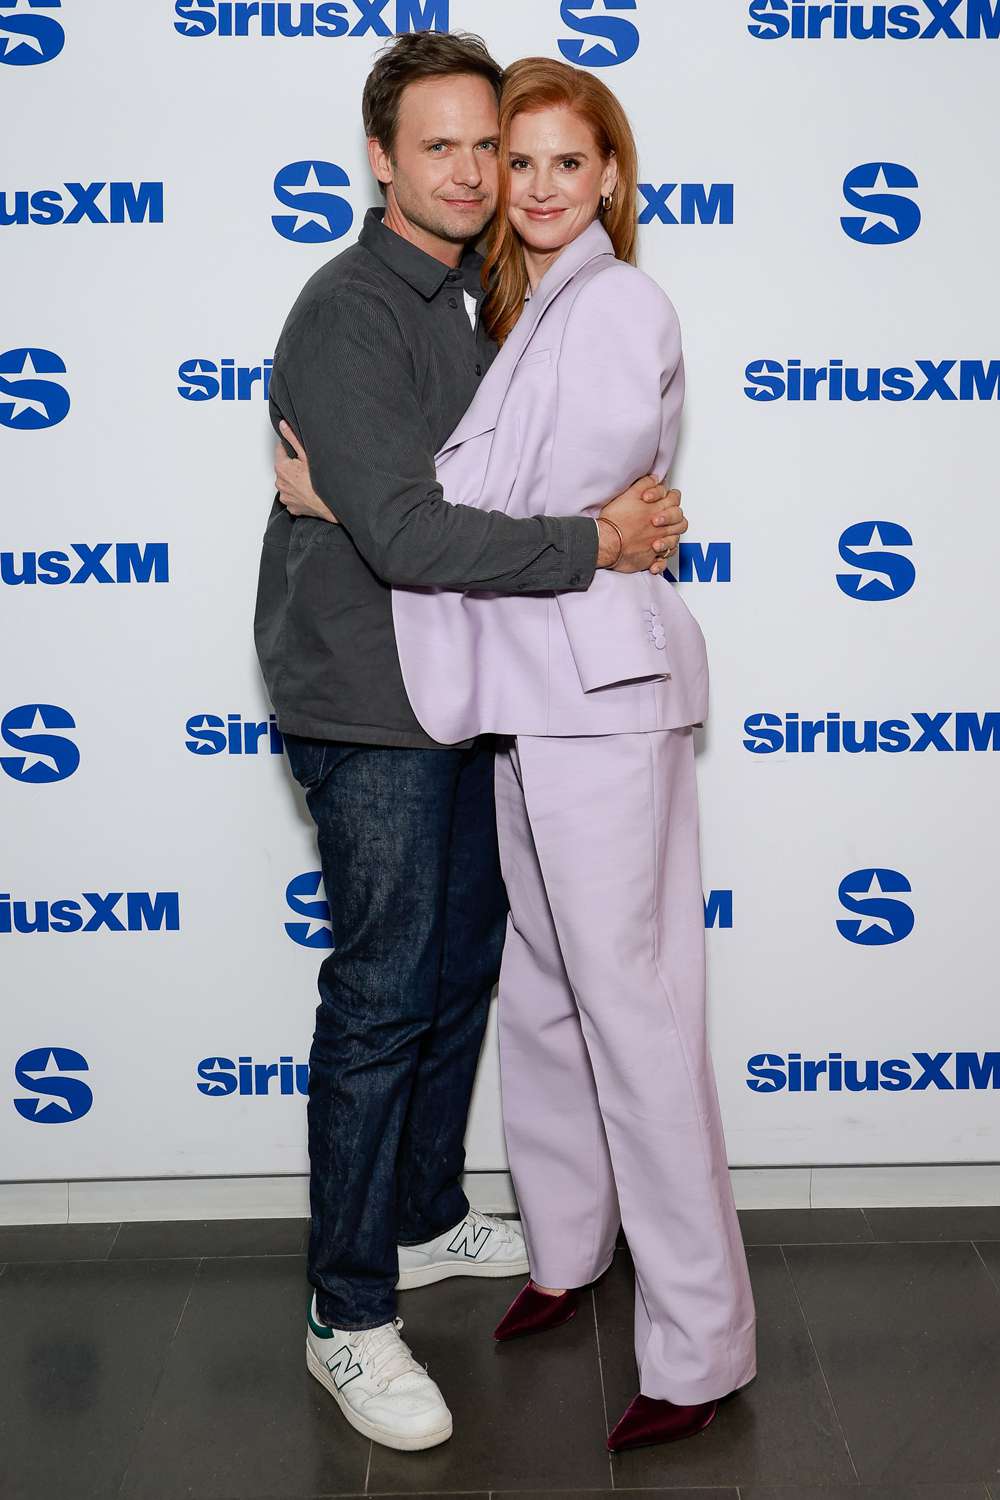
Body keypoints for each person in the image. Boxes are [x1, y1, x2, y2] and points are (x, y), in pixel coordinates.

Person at [273, 55, 757, 1457]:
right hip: (508, 703)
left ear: (610, 176)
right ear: (384, 156)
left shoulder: (610, 302)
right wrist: (375, 503)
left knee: (632, 1012)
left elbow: (505, 506)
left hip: (593, 692)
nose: (512, 181)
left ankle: (700, 1336)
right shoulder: (493, 306)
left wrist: (359, 496)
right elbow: (463, 516)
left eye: (546, 158)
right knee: (537, 996)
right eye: (491, 155)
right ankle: (564, 1248)